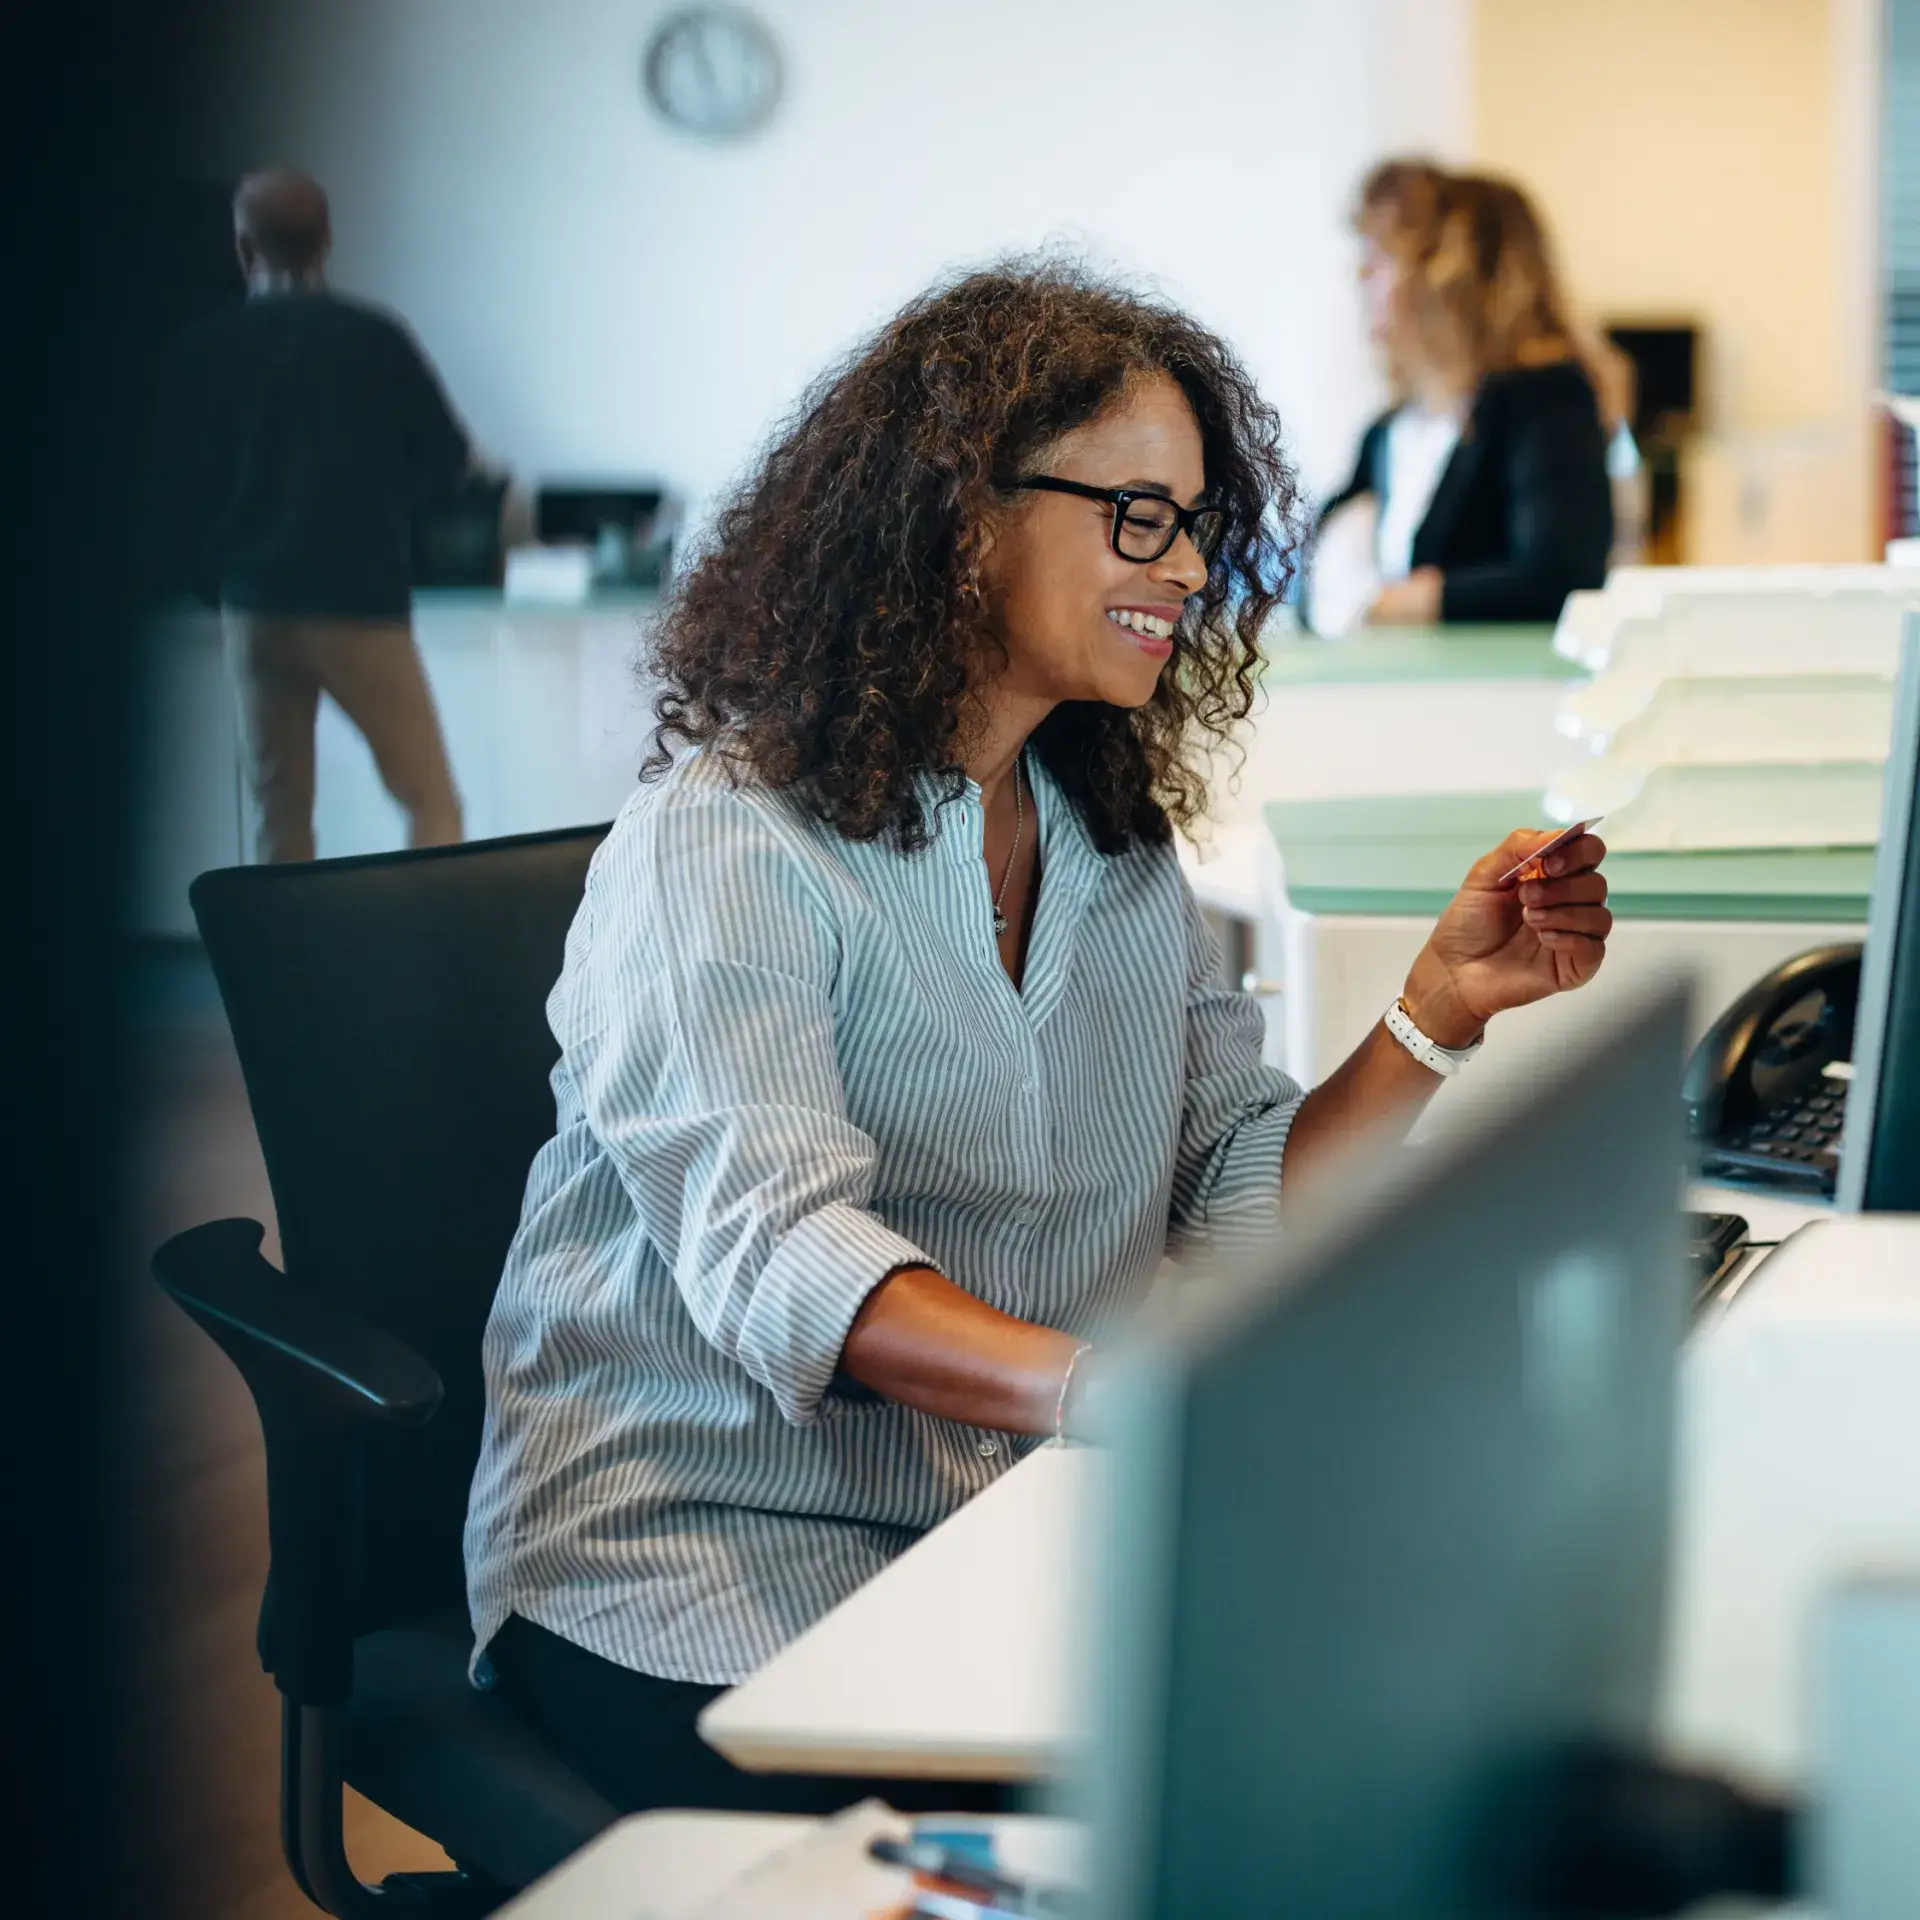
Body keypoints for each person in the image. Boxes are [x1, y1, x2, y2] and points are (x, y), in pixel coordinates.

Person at [462, 263, 1616, 1817]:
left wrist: (1438, 1012)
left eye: (1200, 520)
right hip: (690, 1562)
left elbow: (1227, 1184)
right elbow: (790, 1266)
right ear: (960, 519)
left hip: (993, 1527)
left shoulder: (1113, 846)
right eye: (1139, 513)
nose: (1187, 564)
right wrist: (1117, 1395)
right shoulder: (726, 846)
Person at [168, 168, 469, 862]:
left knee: (279, 814)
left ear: (244, 248)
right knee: (430, 799)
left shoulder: (203, 350)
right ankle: (434, 950)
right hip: (358, 602)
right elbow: (447, 461)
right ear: (327, 239)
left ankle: (279, 968)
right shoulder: (373, 339)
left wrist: (213, 582)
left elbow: (173, 492)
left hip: (254, 608)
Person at [1313, 161, 1616, 630]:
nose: (1361, 275)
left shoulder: (1545, 400)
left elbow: (1560, 577)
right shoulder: (1389, 430)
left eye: (1383, 258)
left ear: (1450, 277)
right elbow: (1313, 578)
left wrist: (1387, 603)